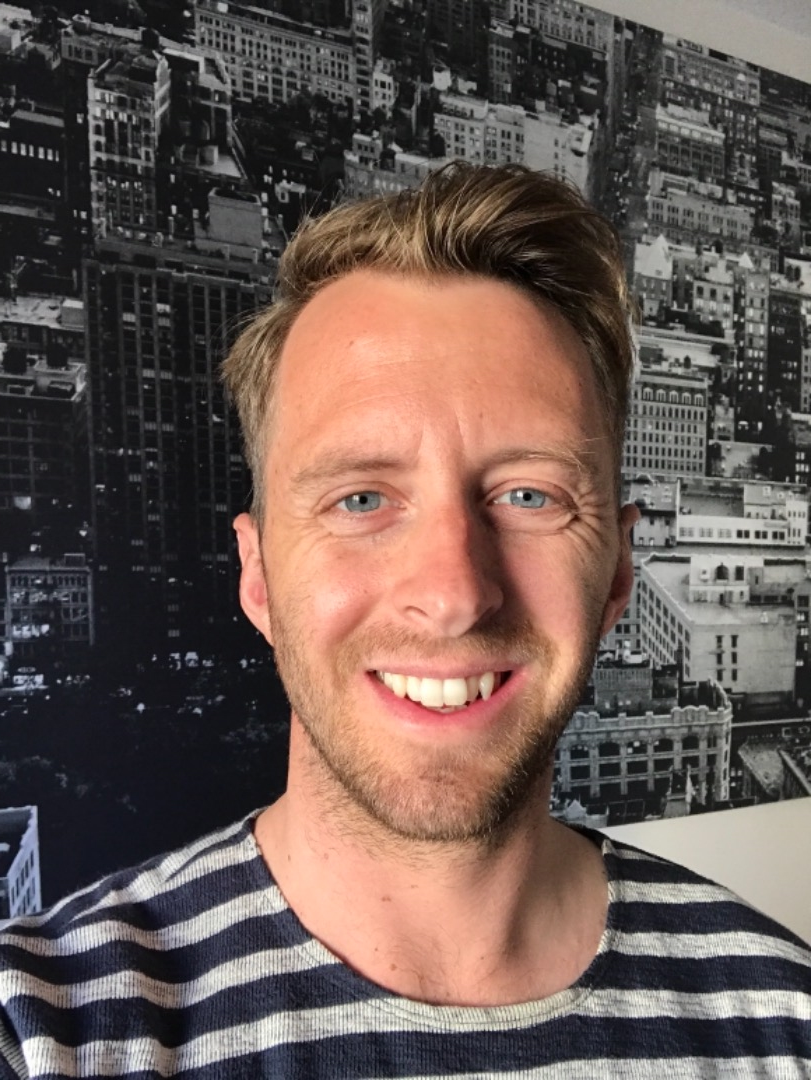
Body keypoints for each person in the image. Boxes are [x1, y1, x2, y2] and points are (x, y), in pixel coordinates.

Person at [0, 163, 809, 1079]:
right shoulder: (44, 1031)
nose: (453, 593)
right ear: (258, 575)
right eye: (360, 498)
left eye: (529, 495)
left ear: (618, 570)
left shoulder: (783, 1023)